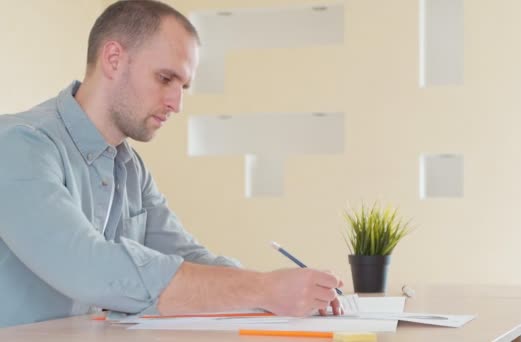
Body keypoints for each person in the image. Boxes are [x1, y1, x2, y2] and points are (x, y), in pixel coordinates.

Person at [0, 0, 343, 328]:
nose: (176, 103)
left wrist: (278, 289)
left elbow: (186, 254)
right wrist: (263, 289)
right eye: (165, 79)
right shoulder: (18, 144)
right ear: (114, 59)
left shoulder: (130, 167)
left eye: (184, 86)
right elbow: (88, 266)